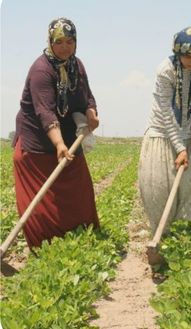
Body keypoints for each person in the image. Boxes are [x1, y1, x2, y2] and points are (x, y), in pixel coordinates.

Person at [13, 17, 100, 249]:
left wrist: (91, 111)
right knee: (43, 207)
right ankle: (47, 251)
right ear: (50, 42)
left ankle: (79, 244)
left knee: (79, 197)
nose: (65, 47)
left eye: (70, 41)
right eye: (59, 41)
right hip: (38, 144)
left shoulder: (77, 65)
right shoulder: (41, 70)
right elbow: (45, 112)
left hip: (70, 139)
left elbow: (87, 96)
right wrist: (59, 144)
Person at [138, 26, 191, 236]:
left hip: (186, 132)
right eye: (189, 57)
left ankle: (189, 236)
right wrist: (180, 148)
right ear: (178, 52)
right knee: (161, 190)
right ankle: (163, 238)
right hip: (161, 133)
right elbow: (166, 114)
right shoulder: (166, 70)